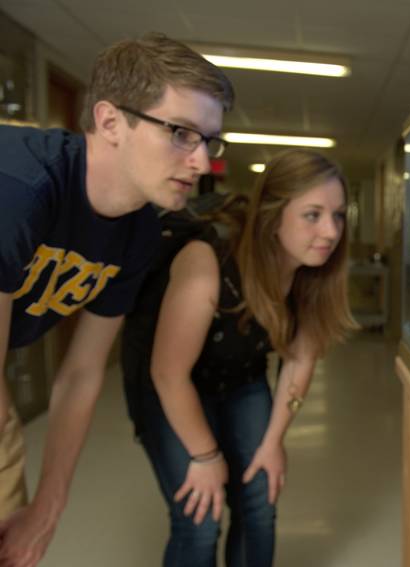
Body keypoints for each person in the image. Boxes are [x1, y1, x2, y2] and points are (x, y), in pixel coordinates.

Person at [0, 33, 233, 567]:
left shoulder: (140, 234)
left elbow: (83, 371)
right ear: (109, 122)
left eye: (209, 141)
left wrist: (48, 508)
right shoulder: (19, 191)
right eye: (180, 133)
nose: (201, 163)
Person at [122, 149, 358, 567]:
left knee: (259, 505)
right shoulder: (207, 260)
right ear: (273, 215)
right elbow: (167, 373)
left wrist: (273, 443)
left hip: (242, 379)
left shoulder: (312, 272)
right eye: (313, 214)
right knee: (200, 519)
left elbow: (300, 362)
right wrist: (205, 456)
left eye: (338, 215)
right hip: (170, 385)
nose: (330, 231)